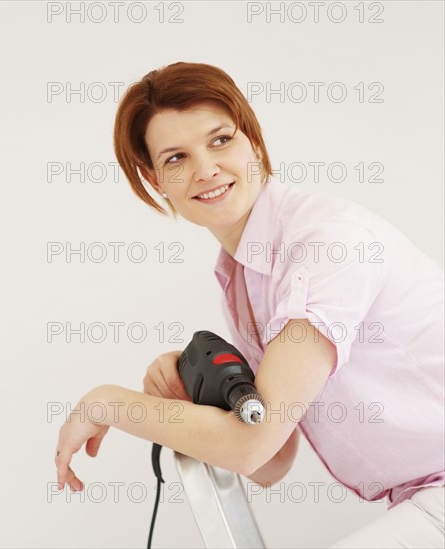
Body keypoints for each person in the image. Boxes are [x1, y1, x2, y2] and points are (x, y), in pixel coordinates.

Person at [55, 62, 445, 548]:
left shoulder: (325, 244)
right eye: (176, 158)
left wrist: (106, 403)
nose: (206, 169)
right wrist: (194, 393)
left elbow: (251, 446)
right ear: (155, 180)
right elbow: (270, 460)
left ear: (254, 142)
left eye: (221, 140)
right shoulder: (244, 276)